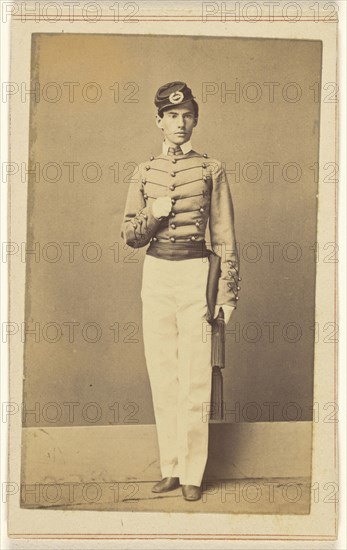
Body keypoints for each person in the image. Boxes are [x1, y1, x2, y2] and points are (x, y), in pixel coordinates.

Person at [121, 81, 240, 501]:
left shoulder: (211, 168)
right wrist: (153, 215)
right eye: (172, 116)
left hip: (194, 274)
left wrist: (226, 294)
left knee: (194, 375)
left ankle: (193, 473)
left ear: (195, 120)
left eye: (188, 115)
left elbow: (223, 235)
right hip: (156, 274)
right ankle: (170, 466)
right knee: (162, 372)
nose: (181, 123)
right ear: (159, 121)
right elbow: (129, 236)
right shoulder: (143, 171)